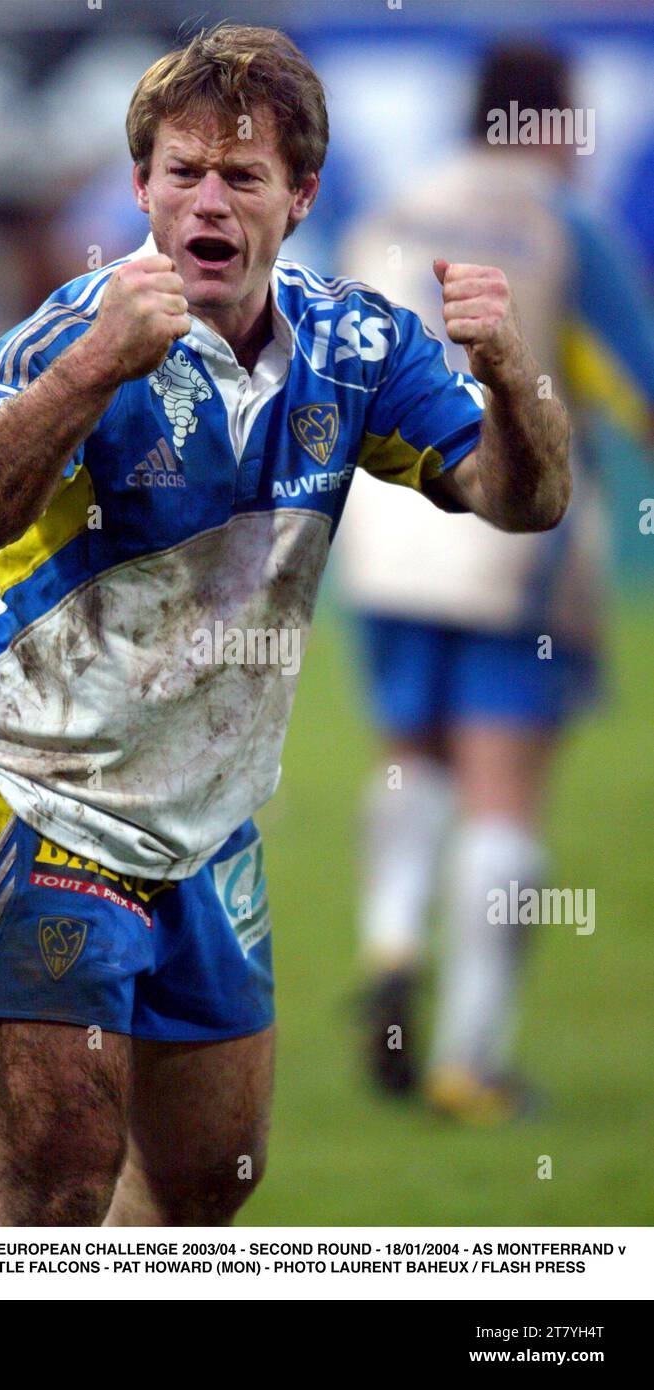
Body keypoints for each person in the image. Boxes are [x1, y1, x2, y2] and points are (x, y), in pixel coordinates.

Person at [0, 23, 570, 1225]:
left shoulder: (357, 346)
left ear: (299, 196)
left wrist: (509, 370)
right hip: (36, 790)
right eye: (182, 172)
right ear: (144, 188)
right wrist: (90, 371)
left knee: (210, 1186)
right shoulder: (75, 331)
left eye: (243, 175)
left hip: (206, 824)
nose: (208, 199)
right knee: (56, 1185)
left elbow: (523, 501)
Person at [336, 42, 654, 1123]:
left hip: (384, 531)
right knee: (501, 788)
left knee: (408, 753)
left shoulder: (392, 209)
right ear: (555, 125)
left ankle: (388, 941)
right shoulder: (563, 226)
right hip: (511, 539)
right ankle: (470, 1058)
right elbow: (638, 383)